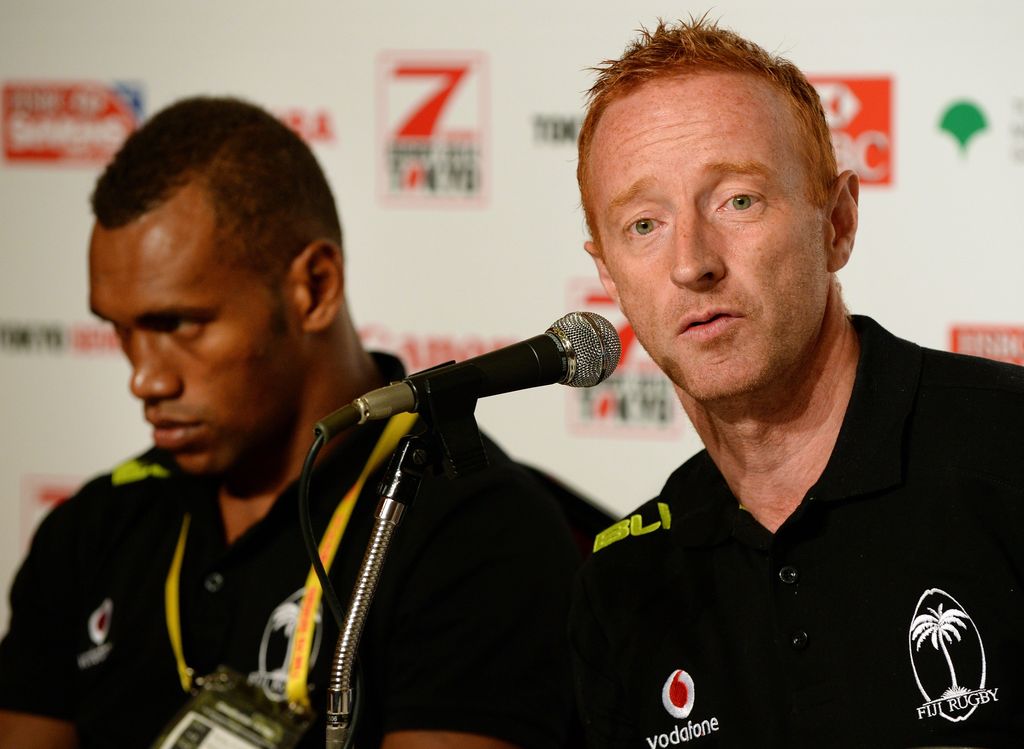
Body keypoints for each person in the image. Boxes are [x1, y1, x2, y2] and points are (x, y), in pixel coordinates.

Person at [0, 96, 585, 749]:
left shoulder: (479, 531)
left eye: (178, 324)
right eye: (121, 330)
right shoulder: (90, 530)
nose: (144, 377)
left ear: (314, 286)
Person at [568, 17, 1024, 749]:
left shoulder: (1008, 453)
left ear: (837, 223)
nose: (693, 262)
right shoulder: (625, 581)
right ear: (608, 275)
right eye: (644, 224)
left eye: (737, 201)